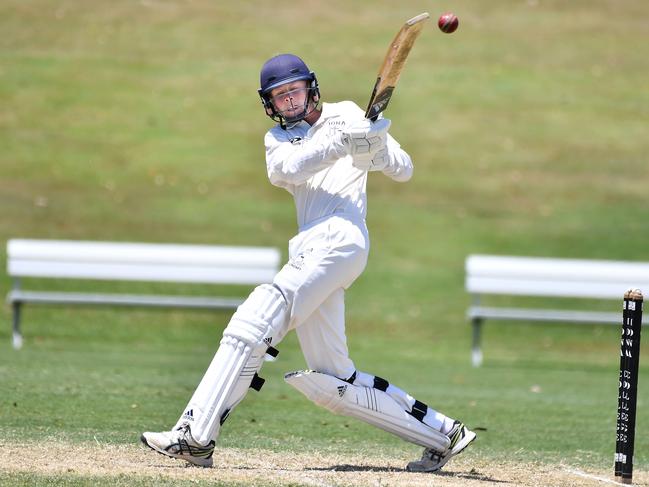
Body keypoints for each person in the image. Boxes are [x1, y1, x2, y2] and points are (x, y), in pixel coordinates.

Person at [141, 53, 475, 473]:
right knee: (332, 380)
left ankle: (196, 435)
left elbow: (403, 169)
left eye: (293, 91)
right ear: (270, 104)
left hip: (342, 237)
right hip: (311, 247)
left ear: (311, 87)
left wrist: (377, 149)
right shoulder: (277, 140)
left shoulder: (349, 113)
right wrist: (339, 144)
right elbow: (290, 170)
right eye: (279, 98)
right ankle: (444, 434)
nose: (288, 102)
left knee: (256, 317)